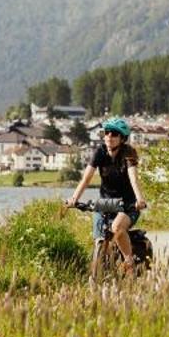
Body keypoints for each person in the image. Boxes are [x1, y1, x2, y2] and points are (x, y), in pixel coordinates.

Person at [68, 117, 146, 273]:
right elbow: (87, 178)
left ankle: (129, 263)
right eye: (107, 132)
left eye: (114, 133)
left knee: (117, 227)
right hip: (106, 202)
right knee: (100, 236)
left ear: (122, 138)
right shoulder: (100, 152)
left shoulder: (128, 152)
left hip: (128, 203)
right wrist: (74, 199)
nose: (109, 136)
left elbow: (133, 178)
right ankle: (104, 267)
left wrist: (139, 199)